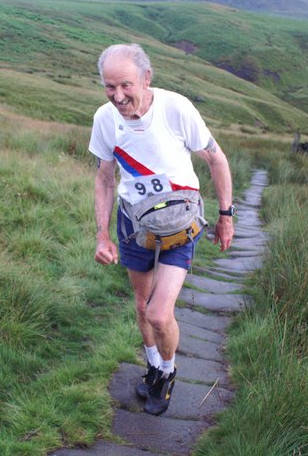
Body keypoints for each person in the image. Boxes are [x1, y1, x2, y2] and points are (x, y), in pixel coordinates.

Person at [88, 43, 235, 416]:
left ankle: (168, 372)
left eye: (125, 85)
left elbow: (216, 158)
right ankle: (153, 365)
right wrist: (103, 235)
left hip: (180, 226)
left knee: (158, 313)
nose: (118, 96)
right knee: (141, 304)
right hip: (134, 226)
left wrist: (226, 215)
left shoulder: (176, 108)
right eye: (109, 87)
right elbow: (105, 178)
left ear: (146, 78)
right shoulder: (105, 119)